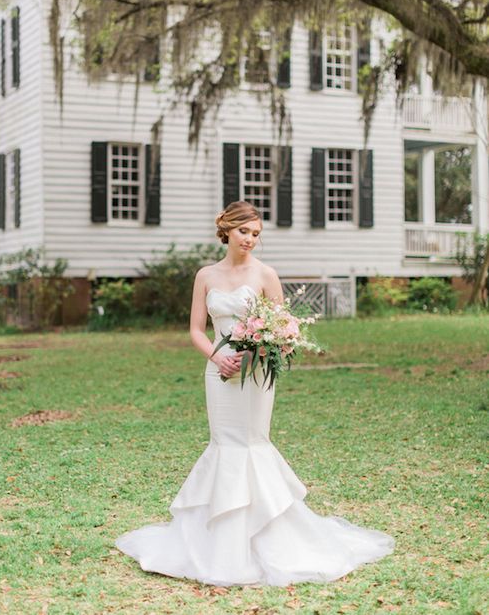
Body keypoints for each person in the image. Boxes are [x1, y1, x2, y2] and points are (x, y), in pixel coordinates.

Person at [115, 201, 395, 585]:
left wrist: (259, 351)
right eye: (244, 231)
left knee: (252, 443)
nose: (250, 239)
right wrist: (217, 358)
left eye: (256, 234)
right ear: (227, 230)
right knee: (224, 444)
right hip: (218, 373)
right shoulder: (206, 276)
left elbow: (284, 331)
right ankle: (218, 542)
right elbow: (196, 329)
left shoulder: (266, 275)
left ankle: (271, 536)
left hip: (257, 374)